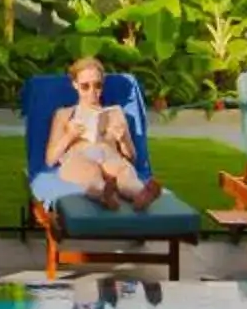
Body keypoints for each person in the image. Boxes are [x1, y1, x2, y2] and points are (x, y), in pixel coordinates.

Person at [45, 55, 161, 209]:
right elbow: (50, 159)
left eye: (97, 85)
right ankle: (104, 193)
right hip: (78, 158)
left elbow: (132, 157)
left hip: (110, 157)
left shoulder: (115, 113)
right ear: (75, 85)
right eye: (85, 86)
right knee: (90, 172)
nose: (92, 91)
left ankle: (140, 194)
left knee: (125, 172)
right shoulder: (64, 114)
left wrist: (123, 140)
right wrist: (69, 136)